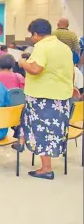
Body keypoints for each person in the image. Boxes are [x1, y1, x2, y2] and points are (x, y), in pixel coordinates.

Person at [17, 19, 74, 180]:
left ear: (36, 34)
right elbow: (71, 70)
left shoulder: (42, 46)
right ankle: (46, 165)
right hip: (61, 96)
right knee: (53, 131)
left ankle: (46, 168)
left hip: (43, 97)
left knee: (42, 131)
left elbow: (36, 69)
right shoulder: (64, 48)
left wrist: (23, 63)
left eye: (32, 35)